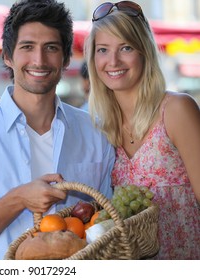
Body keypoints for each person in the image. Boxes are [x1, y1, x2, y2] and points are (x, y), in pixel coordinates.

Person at [0, 0, 115, 260]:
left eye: (51, 48)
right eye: (27, 47)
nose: (39, 60)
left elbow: (107, 222)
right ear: (8, 56)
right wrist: (19, 198)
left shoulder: (95, 132)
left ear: (66, 58)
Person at [85, 1, 200, 259]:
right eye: (103, 50)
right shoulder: (102, 126)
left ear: (144, 52)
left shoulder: (176, 110)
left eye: (125, 47)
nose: (112, 61)